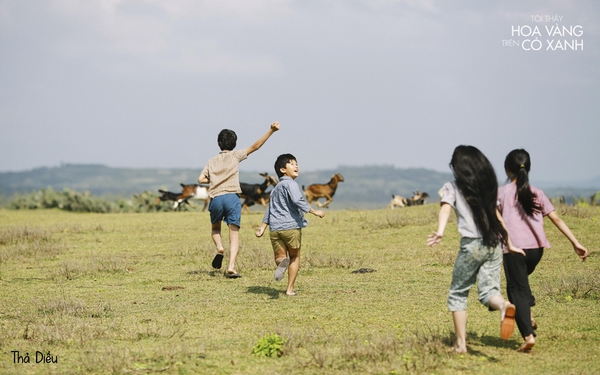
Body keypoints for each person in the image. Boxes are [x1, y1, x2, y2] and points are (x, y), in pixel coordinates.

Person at [427, 145, 524, 354]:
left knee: (458, 294)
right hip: (493, 244)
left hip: (472, 245)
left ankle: (461, 344)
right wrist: (510, 242)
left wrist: (440, 231)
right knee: (489, 291)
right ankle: (504, 306)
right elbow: (498, 217)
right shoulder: (488, 187)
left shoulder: (451, 187)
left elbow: (445, 209)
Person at [498, 149, 588, 352]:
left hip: (514, 249)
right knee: (520, 284)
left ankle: (528, 335)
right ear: (527, 169)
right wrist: (575, 242)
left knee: (516, 290)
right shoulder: (537, 192)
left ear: (507, 169)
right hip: (536, 250)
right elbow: (556, 218)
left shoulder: (501, 193)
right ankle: (527, 313)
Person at [198, 122, 280, 278]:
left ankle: (220, 248)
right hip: (232, 197)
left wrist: (215, 179)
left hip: (216, 198)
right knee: (234, 234)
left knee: (215, 229)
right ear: (235, 144)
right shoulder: (236, 155)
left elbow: (200, 178)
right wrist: (271, 131)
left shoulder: (211, 161)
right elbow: (256, 146)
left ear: (218, 144)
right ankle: (231, 267)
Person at [255, 154, 324, 296]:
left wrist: (263, 226)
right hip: (291, 227)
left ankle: (282, 263)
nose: (296, 166)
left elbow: (270, 208)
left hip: (275, 229)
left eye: (296, 163)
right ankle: (289, 290)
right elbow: (297, 200)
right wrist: (313, 210)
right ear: (282, 170)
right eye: (292, 164)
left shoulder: (275, 189)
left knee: (279, 257)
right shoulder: (291, 184)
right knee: (295, 257)